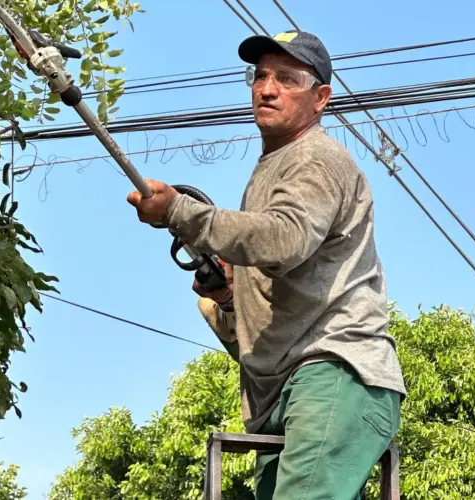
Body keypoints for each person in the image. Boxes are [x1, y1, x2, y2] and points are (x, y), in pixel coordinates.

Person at [126, 29, 405, 500]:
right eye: (260, 76)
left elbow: (283, 239)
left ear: (321, 99)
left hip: (334, 372)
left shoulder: (316, 158)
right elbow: (275, 300)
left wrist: (179, 211)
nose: (267, 88)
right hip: (283, 393)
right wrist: (229, 296)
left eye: (287, 79)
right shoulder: (269, 172)